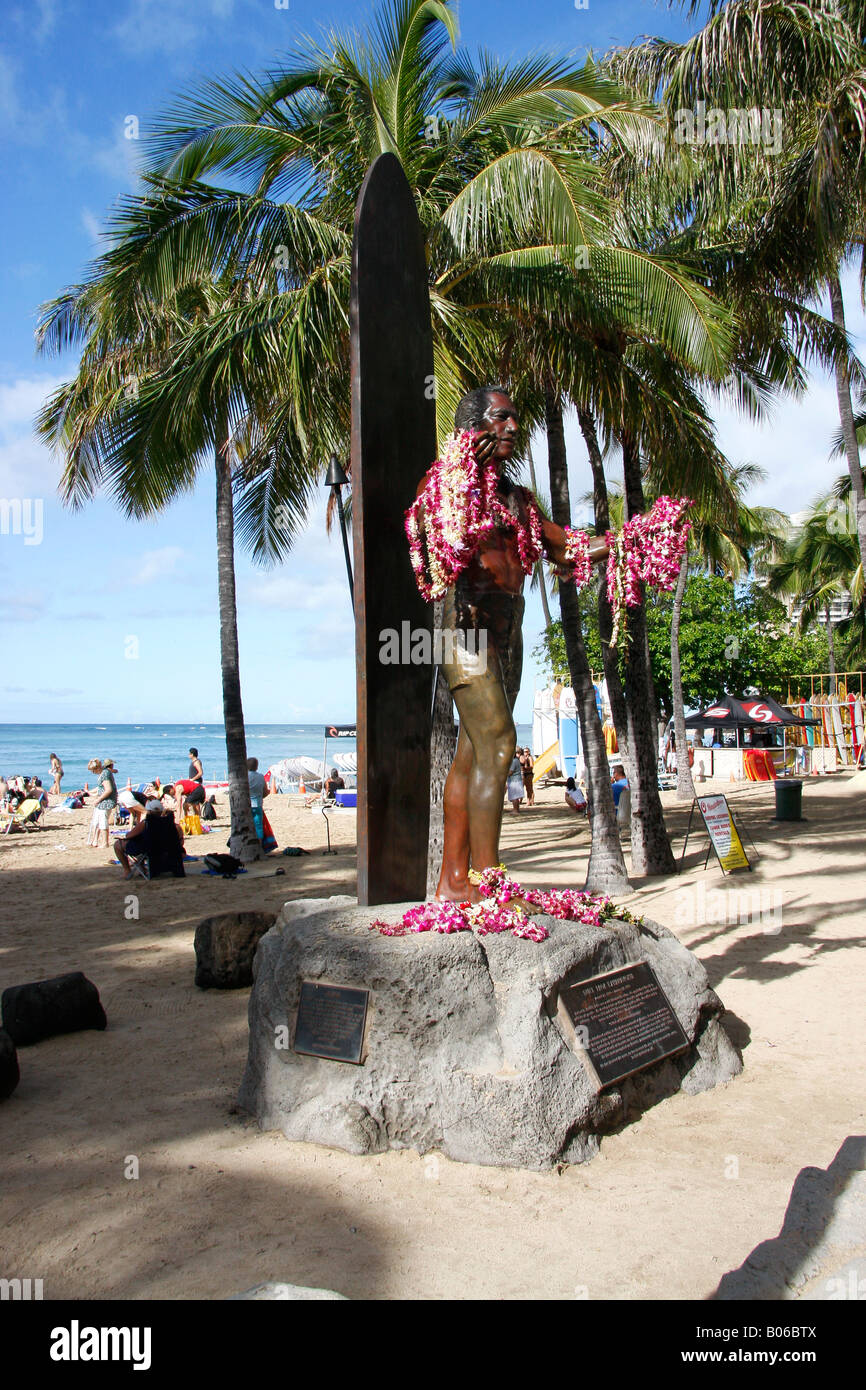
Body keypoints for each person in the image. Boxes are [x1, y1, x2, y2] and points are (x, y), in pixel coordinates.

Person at [409, 386, 608, 901]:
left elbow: (567, 546)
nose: (514, 428)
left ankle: (454, 882)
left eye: (516, 419)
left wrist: (638, 537)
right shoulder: (448, 487)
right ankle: (489, 880)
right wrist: (462, 475)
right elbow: (436, 530)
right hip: (465, 624)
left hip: (509, 627)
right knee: (499, 743)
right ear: (471, 429)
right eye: (501, 418)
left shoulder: (518, 499)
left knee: (474, 753)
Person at [114, 802, 185, 880]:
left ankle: (127, 871)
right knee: (141, 844)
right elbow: (181, 842)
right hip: (170, 850)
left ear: (149, 811)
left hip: (150, 850)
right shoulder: (172, 825)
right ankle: (143, 869)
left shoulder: (146, 823)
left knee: (118, 844)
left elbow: (129, 836)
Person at [247, 757, 277, 851]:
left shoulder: (245, 776)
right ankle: (259, 847)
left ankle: (249, 847)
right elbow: (265, 791)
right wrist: (260, 797)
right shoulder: (260, 777)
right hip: (258, 804)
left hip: (247, 805)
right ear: (256, 766)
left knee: (247, 826)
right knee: (259, 826)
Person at [91, 758, 118, 849]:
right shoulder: (106, 771)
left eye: (93, 770)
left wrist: (98, 799)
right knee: (99, 821)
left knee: (103, 822)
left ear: (97, 768)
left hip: (106, 801)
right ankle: (96, 840)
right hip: (105, 800)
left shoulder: (105, 774)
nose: (92, 773)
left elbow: (108, 790)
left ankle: (105, 842)